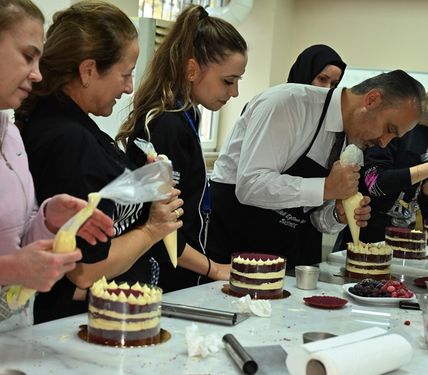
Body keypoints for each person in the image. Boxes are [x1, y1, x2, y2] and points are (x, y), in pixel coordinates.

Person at [16, 0, 182, 323]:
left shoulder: (78, 124)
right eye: (126, 73)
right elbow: (84, 270)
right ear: (88, 70)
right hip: (79, 324)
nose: (130, 86)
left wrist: (148, 183)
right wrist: (153, 228)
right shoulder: (67, 139)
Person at [210, 70, 426, 267]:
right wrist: (326, 188)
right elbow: (250, 185)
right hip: (230, 246)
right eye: (389, 129)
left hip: (283, 253)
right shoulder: (288, 104)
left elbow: (315, 218)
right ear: (372, 100)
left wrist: (338, 214)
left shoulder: (354, 142)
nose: (384, 142)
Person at [115, 6, 247, 293]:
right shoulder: (165, 125)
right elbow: (158, 226)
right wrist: (214, 269)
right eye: (228, 81)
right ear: (191, 70)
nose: (234, 92)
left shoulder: (188, 115)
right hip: (159, 278)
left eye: (237, 81)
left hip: (183, 270)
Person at [0, 0, 114, 331]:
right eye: (27, 56)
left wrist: (49, 219)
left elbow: (18, 242)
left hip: (14, 335)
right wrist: (10, 270)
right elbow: (12, 263)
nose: (37, 74)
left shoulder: (12, 137)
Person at [336, 74, 428, 246]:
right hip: (365, 234)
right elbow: (374, 183)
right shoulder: (396, 124)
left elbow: (424, 206)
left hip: (404, 237)